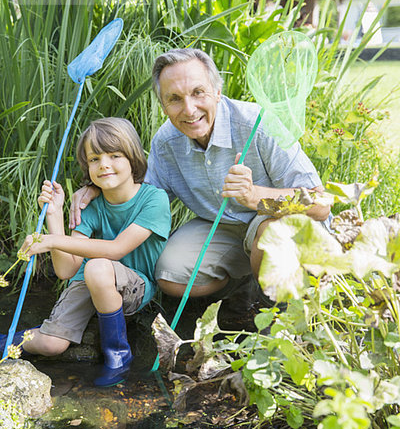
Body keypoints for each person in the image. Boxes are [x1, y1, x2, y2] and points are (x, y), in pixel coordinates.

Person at [69, 49, 330, 310]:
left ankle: (275, 314)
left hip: (276, 222)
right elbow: (143, 196)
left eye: (198, 92)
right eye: (175, 99)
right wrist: (98, 186)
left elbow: (321, 203)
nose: (189, 109)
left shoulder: (258, 124)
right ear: (163, 106)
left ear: (217, 91)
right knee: (170, 276)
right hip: (224, 227)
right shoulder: (166, 142)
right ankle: (242, 290)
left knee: (270, 235)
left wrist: (253, 195)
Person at [1, 118, 171, 386]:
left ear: (133, 158)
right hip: (87, 280)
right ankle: (4, 343)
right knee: (51, 344)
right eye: (94, 159)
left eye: (114, 155)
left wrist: (51, 241)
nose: (103, 164)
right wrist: (54, 215)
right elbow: (67, 270)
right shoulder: (89, 206)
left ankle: (117, 356)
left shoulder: (153, 199)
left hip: (133, 285)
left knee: (97, 266)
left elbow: (116, 249)